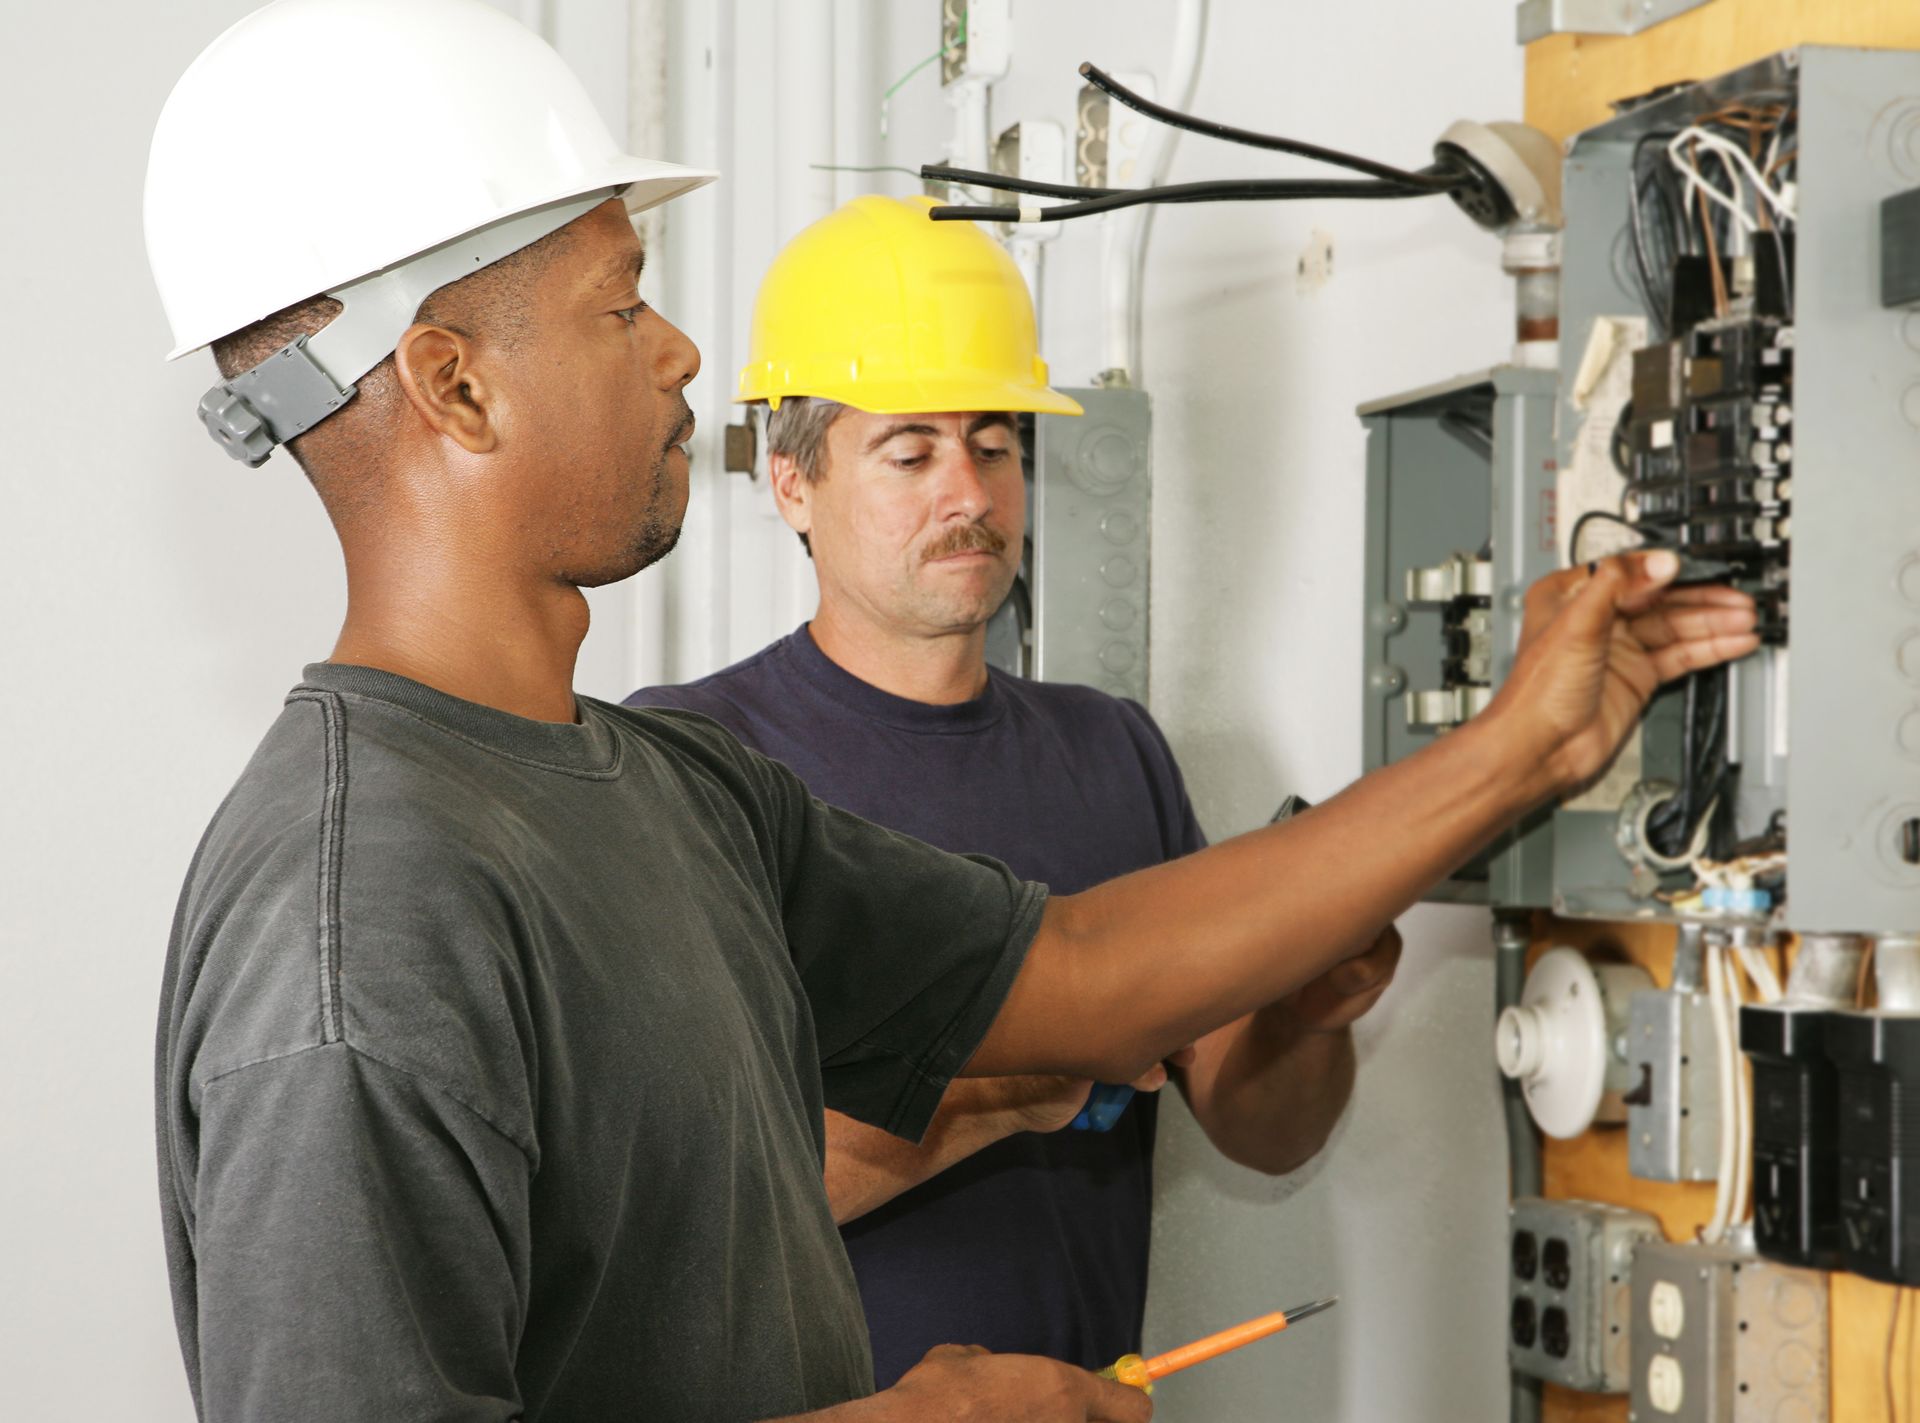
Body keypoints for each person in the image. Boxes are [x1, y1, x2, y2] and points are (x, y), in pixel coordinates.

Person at [145, 2, 1760, 1420]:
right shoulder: (357, 922)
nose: (683, 350)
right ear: (455, 382)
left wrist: (1536, 740)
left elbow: (1087, 971)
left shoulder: (669, 790)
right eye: (623, 303)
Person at [626, 194, 1404, 1387]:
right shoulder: (696, 759)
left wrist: (1310, 1007)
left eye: (995, 444)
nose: (971, 494)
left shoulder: (1112, 753)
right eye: (912, 450)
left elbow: (1265, 1128)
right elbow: (684, 1204)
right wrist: (1020, 1077)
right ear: (791, 482)